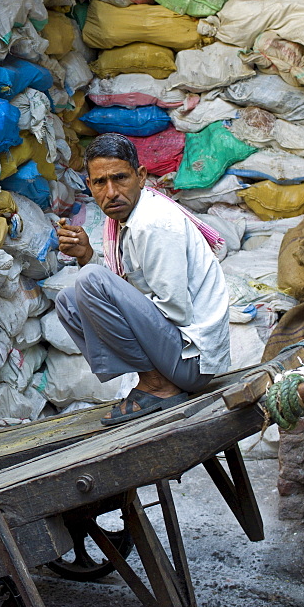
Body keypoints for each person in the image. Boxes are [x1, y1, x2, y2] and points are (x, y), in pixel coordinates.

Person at [55, 133, 230, 427]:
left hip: (192, 361)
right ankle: (152, 381)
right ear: (89, 185)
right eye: (100, 182)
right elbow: (125, 294)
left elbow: (174, 311)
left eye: (120, 178)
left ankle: (157, 385)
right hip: (172, 354)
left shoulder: (153, 223)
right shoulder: (125, 222)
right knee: (68, 301)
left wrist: (102, 286)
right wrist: (86, 254)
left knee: (91, 280)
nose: (111, 192)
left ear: (141, 177)